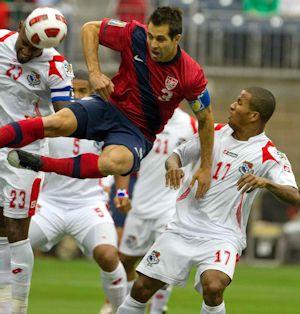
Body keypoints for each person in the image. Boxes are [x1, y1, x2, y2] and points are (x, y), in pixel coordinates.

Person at [0, 6, 214, 204]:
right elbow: (89, 29)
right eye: (150, 36)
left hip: (138, 130)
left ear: (177, 39)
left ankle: (39, 163)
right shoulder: (134, 34)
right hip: (109, 106)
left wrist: (205, 167)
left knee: (113, 163)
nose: (153, 44)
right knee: (58, 121)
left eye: (160, 39)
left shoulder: (191, 75)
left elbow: (206, 119)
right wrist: (94, 72)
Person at [116, 87, 300, 314]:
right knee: (142, 288)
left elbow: (294, 196)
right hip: (182, 227)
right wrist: (173, 167)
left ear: (254, 116)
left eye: (240, 103)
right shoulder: (212, 132)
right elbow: (176, 155)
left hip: (223, 235)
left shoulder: (269, 154)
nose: (232, 106)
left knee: (213, 287)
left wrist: (267, 183)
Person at [28, 72, 127, 313]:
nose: (77, 96)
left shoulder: (105, 124)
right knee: (10, 247)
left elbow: (121, 161)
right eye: (72, 91)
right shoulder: (51, 120)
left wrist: (122, 193)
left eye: (83, 91)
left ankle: (122, 309)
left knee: (108, 256)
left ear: (93, 94)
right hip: (49, 204)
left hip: (88, 205)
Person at [0, 7, 73, 314]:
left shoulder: (56, 66)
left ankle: (17, 305)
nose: (29, 51)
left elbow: (66, 118)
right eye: (27, 43)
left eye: (37, 48)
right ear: (19, 27)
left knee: (16, 229)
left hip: (24, 155)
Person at [101, 108, 197, 314]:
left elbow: (203, 159)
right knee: (125, 261)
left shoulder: (191, 126)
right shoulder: (143, 121)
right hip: (141, 206)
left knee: (162, 264)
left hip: (171, 207)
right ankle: (124, 306)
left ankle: (157, 310)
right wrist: (122, 192)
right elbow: (125, 158)